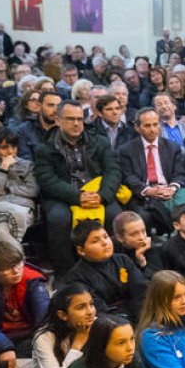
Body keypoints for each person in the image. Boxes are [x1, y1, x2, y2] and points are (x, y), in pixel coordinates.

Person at [35, 100, 123, 272]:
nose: (76, 123)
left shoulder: (100, 141)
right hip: (64, 196)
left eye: (79, 119)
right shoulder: (45, 148)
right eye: (70, 119)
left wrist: (102, 195)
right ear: (58, 120)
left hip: (98, 192)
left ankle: (114, 265)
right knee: (59, 219)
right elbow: (46, 180)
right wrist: (77, 196)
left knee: (116, 217)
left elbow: (113, 171)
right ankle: (66, 271)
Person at [118, 107, 185, 236]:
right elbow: (128, 177)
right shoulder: (126, 150)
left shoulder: (172, 147)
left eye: (155, 124)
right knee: (143, 217)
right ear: (137, 127)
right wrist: (148, 190)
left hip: (170, 193)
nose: (152, 129)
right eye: (147, 125)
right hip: (142, 196)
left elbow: (180, 173)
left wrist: (172, 188)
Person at [28, 284, 96, 368]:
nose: (90, 312)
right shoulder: (44, 337)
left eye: (91, 304)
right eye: (81, 307)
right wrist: (77, 345)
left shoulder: (98, 325)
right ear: (63, 315)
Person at [62, 220, 147, 319]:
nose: (104, 243)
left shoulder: (123, 260)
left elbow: (141, 291)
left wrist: (142, 318)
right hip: (108, 322)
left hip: (137, 313)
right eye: (95, 241)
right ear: (81, 250)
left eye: (106, 237)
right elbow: (97, 308)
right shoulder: (76, 277)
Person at [0, 126, 38, 251]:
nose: (10, 152)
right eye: (4, 147)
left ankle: (14, 264)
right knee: (16, 214)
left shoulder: (27, 165)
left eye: (13, 147)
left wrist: (7, 188)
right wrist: (3, 169)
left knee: (0, 232)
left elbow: (32, 191)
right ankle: (18, 265)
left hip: (25, 208)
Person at [14, 90, 61, 158]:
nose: (55, 110)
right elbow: (26, 161)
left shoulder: (66, 130)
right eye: (50, 105)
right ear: (39, 106)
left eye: (59, 106)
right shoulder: (23, 131)